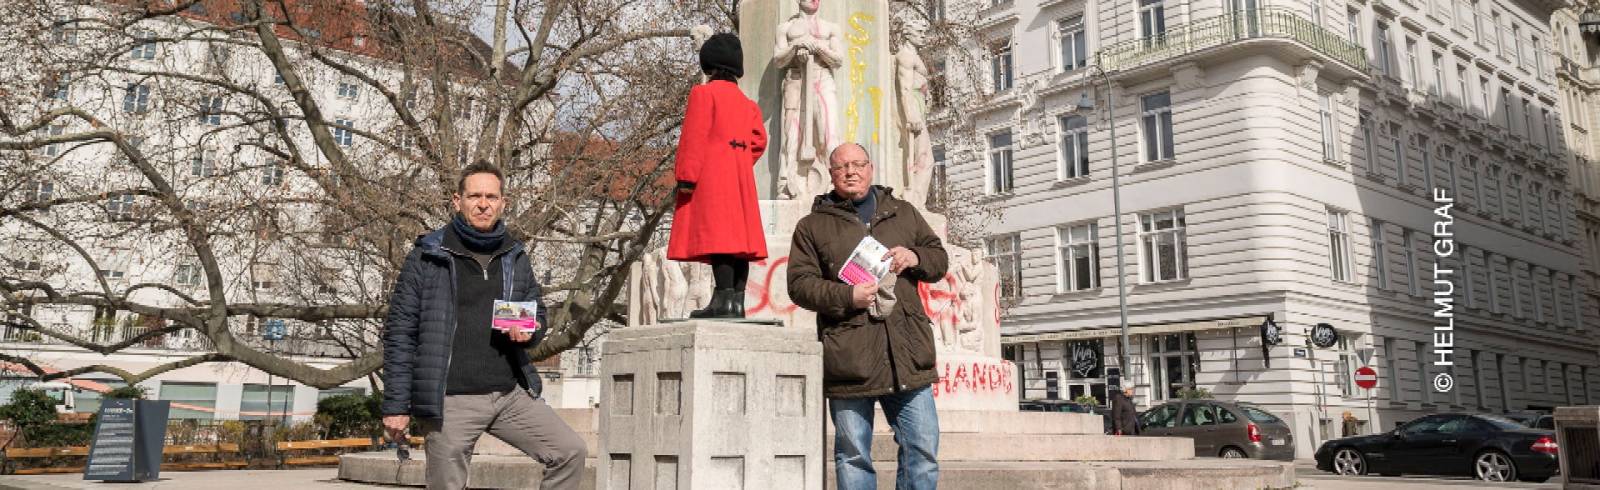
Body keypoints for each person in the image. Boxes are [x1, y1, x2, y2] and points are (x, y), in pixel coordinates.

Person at [380, 162, 587, 490]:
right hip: (449, 400)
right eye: (474, 195)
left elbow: (537, 313)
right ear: (457, 201)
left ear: (503, 202)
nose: (483, 203)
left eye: (491, 196)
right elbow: (400, 333)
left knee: (570, 452)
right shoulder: (427, 255)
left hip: (509, 395)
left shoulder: (514, 255)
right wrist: (396, 406)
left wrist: (530, 331)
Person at [788, 142, 949, 490]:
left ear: (870, 168)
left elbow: (939, 260)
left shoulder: (903, 212)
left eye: (858, 164)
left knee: (922, 449)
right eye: (842, 167)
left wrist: (915, 257)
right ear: (830, 175)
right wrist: (848, 295)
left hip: (907, 354)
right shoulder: (812, 226)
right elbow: (799, 286)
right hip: (850, 357)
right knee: (853, 455)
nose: (851, 172)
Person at [668, 32, 769, 319]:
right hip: (739, 179)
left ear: (709, 65)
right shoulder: (747, 103)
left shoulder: (703, 94)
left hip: (711, 178)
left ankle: (721, 301)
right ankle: (736, 302)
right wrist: (737, 159)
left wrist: (686, 178)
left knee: (720, 240)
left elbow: (694, 137)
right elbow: (759, 140)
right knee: (740, 242)